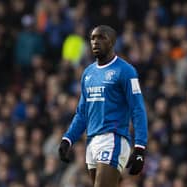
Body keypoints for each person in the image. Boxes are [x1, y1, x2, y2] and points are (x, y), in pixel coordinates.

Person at [58, 25, 148, 187]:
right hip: (92, 141)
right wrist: (68, 139)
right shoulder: (88, 73)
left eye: (101, 38)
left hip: (113, 139)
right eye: (93, 38)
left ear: (112, 42)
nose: (96, 42)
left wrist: (140, 147)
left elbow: (138, 108)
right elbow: (82, 113)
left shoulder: (125, 71)